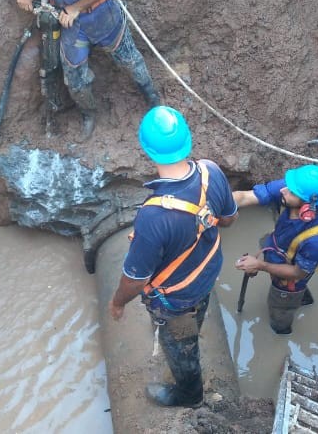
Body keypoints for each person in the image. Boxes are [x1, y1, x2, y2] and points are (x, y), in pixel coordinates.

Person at [108, 106, 238, 408]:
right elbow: (229, 219)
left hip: (177, 301)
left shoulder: (153, 216)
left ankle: (190, 395)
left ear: (147, 150)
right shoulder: (211, 171)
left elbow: (135, 279)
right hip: (207, 274)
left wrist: (117, 302)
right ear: (187, 141)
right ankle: (195, 329)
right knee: (198, 313)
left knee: (180, 348)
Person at [0, 0, 162, 138]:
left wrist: (75, 8)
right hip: (73, 26)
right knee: (74, 77)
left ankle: (152, 99)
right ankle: (89, 114)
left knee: (129, 60)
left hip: (102, 16)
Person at [233, 164, 318, 335]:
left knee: (279, 310)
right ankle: (304, 299)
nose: (283, 190)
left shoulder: (317, 240)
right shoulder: (293, 190)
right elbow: (243, 197)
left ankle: (282, 329)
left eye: (292, 191)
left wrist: (259, 265)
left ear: (308, 206)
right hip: (279, 250)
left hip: (291, 279)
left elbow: (297, 273)